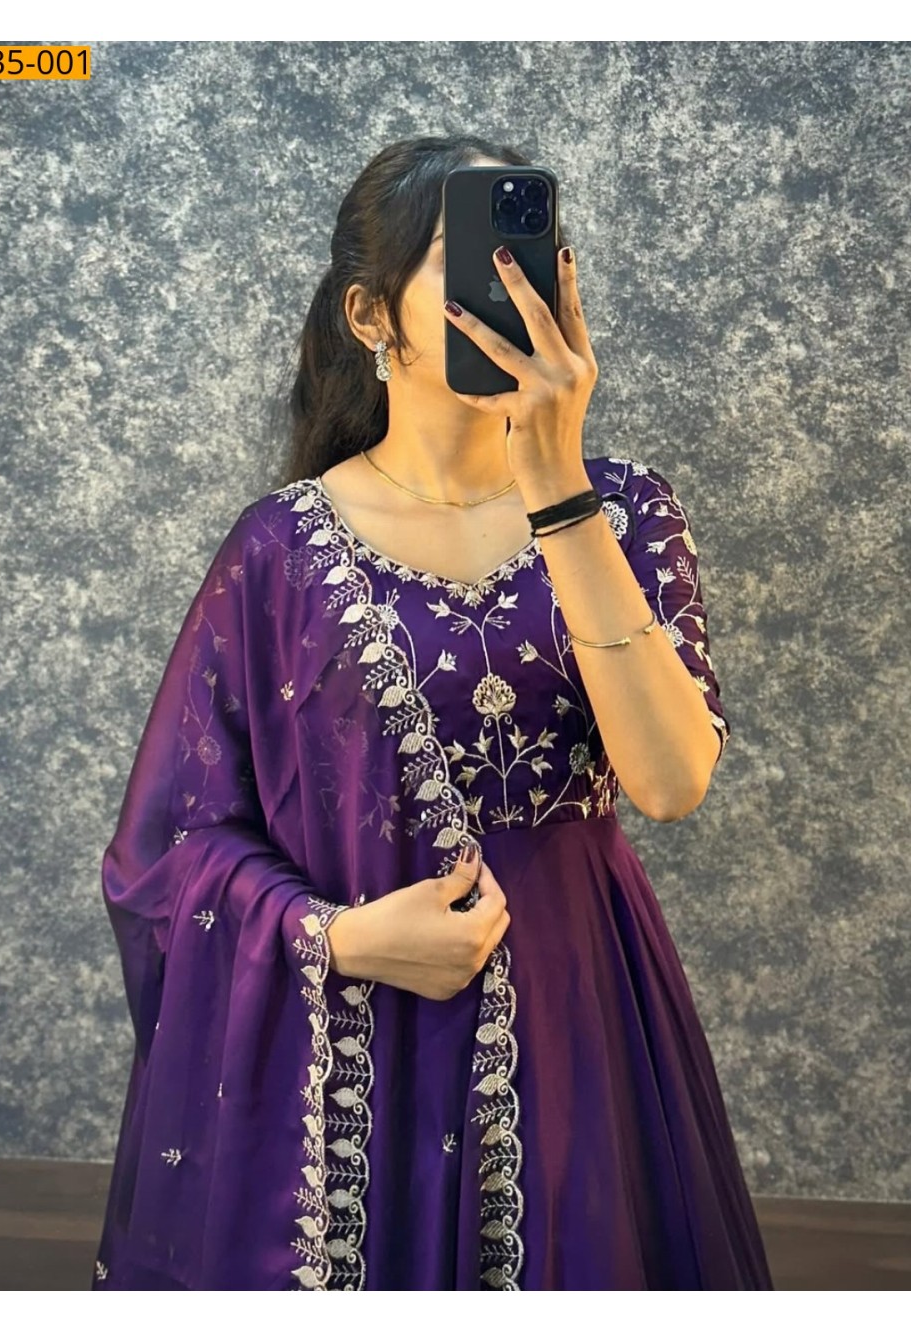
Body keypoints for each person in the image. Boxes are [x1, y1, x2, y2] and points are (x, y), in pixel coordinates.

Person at [91, 133, 774, 1290]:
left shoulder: (623, 509)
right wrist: (340, 940)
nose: (512, 295)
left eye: (531, 262)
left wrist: (554, 484)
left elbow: (668, 781)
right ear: (371, 315)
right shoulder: (280, 551)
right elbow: (170, 846)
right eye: (472, 266)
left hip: (580, 1018)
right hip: (370, 1041)